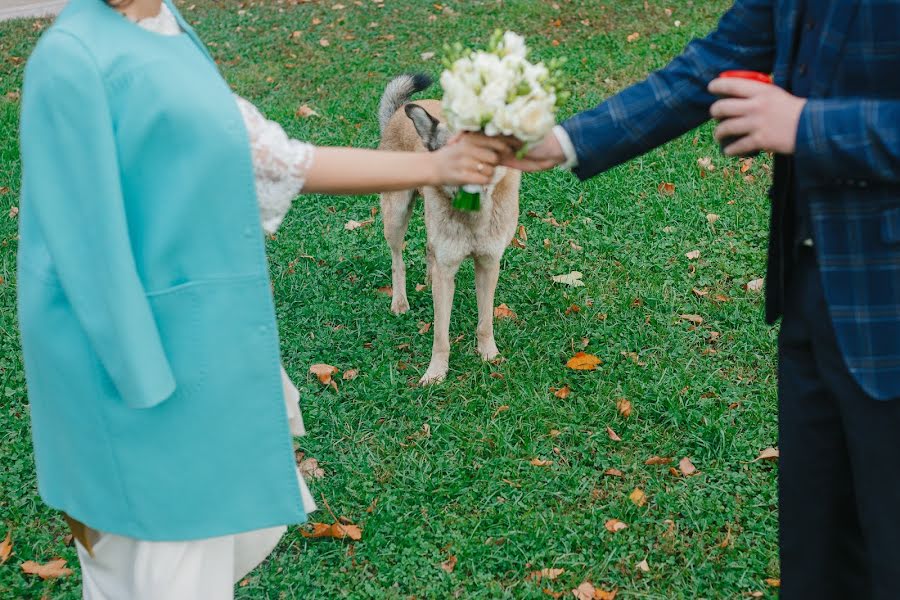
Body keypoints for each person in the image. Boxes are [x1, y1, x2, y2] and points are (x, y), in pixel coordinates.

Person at [16, 0, 511, 597]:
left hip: (205, 357)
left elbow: (273, 158)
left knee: (203, 567)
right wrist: (146, 406)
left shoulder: (163, 22)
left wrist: (443, 166)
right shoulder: (71, 59)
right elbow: (72, 255)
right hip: (138, 392)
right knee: (148, 576)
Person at [506, 1, 900, 598]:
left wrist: (807, 125)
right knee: (817, 553)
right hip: (812, 294)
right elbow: (712, 63)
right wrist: (563, 141)